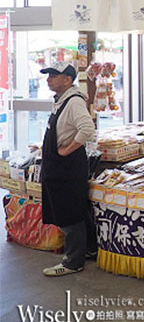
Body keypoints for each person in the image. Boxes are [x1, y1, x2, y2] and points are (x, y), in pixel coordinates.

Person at [39, 61, 97, 276]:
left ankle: (73, 261)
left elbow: (87, 128)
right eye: (48, 75)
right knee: (71, 209)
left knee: (69, 212)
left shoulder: (73, 102)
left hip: (68, 166)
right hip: (59, 165)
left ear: (68, 79)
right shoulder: (61, 100)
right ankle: (87, 250)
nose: (49, 78)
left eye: (54, 75)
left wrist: (67, 149)